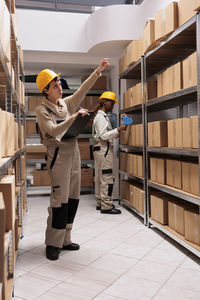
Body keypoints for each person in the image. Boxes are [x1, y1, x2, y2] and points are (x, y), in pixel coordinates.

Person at [35, 58, 109, 260]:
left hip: (73, 154)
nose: (59, 87)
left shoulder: (65, 104)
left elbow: (82, 92)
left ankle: (65, 239)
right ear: (45, 90)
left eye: (59, 84)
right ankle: (52, 242)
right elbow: (53, 130)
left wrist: (97, 71)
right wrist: (74, 118)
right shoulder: (42, 111)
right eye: (55, 85)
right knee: (59, 200)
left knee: (73, 199)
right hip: (58, 157)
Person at [92, 91, 126, 214]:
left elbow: (103, 134)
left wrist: (115, 134)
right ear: (105, 102)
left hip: (100, 149)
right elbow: (103, 135)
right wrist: (119, 129)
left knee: (100, 177)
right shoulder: (101, 117)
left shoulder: (101, 116)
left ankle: (99, 202)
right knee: (107, 177)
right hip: (104, 150)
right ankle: (106, 206)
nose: (112, 105)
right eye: (111, 102)